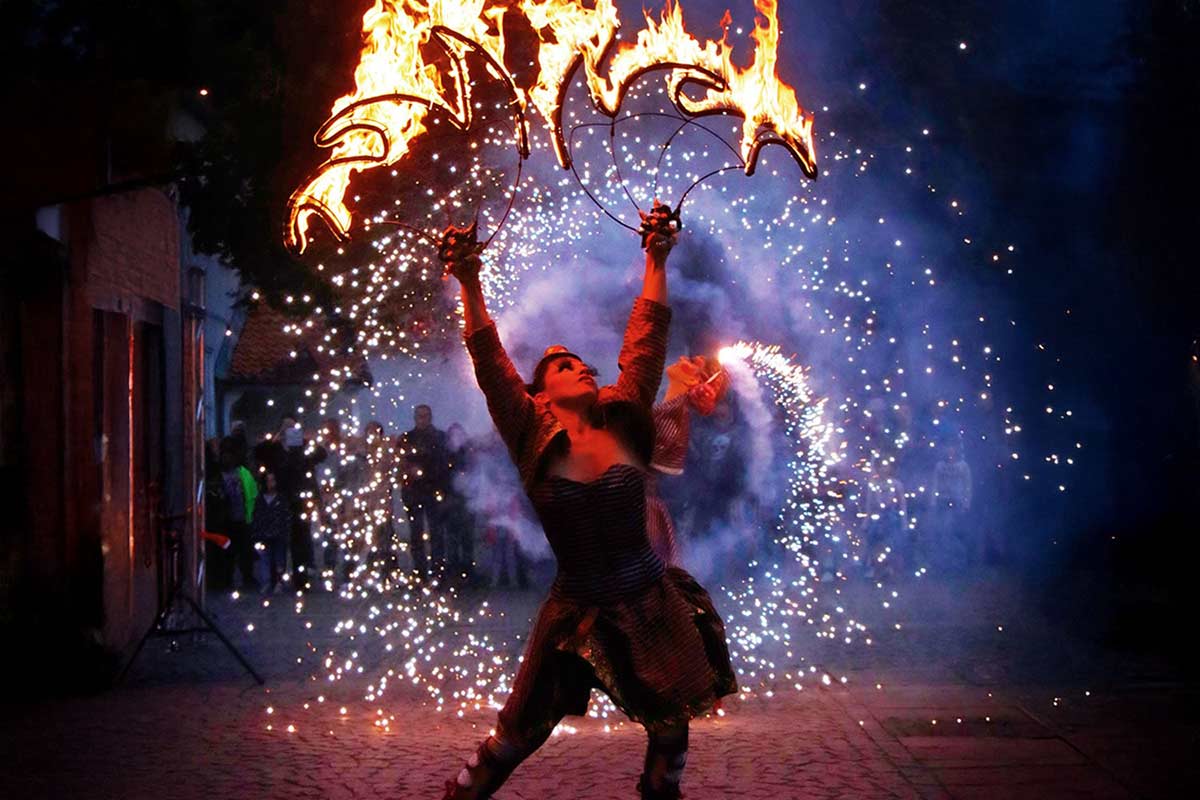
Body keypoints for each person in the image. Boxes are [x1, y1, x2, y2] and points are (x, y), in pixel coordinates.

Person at [438, 203, 737, 800]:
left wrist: (655, 257)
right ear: (540, 393)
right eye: (562, 367)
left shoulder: (623, 415)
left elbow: (646, 334)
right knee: (514, 739)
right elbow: (490, 359)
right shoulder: (530, 434)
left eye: (581, 365)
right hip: (576, 609)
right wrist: (468, 280)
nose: (578, 369)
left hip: (648, 597)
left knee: (672, 731)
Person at [646, 355, 727, 565]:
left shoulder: (689, 425)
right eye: (696, 362)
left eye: (706, 376)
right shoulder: (654, 380)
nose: (694, 360)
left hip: (653, 510)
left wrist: (683, 394)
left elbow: (658, 450)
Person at [398, 404, 450, 578]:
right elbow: (401, 464)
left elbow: (444, 465)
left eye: (426, 416)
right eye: (420, 416)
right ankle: (420, 572)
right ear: (415, 418)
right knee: (416, 534)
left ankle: (437, 572)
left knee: (436, 533)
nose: (423, 419)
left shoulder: (440, 437)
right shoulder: (406, 438)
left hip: (433, 491)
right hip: (414, 492)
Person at [219, 438, 259, 592]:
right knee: (228, 551)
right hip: (226, 519)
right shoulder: (218, 474)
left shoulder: (243, 473)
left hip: (242, 518)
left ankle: (246, 577)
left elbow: (252, 493)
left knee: (244, 550)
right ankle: (227, 578)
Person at [443, 422, 478, 583]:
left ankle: (467, 570)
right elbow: (440, 476)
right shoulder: (445, 455)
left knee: (467, 537)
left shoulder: (469, 454)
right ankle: (454, 570)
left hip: (466, 500)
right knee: (452, 537)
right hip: (452, 501)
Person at [251, 470, 291, 593]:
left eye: (272, 480)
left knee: (279, 559)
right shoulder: (260, 499)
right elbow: (257, 515)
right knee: (265, 559)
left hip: (279, 534)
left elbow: (286, 516)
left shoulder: (281, 498)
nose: (270, 484)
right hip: (264, 533)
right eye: (268, 481)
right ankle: (266, 582)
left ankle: (279, 582)